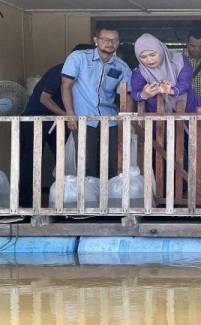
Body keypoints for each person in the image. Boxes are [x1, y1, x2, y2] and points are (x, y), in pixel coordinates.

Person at [19, 43, 93, 207]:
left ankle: (64, 200)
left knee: (63, 160)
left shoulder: (82, 75)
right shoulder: (60, 71)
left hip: (57, 122)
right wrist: (68, 115)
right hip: (35, 121)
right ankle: (23, 205)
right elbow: (44, 99)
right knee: (30, 162)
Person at [61, 27, 133, 178]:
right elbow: (66, 86)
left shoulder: (122, 67)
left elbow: (126, 96)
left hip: (111, 120)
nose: (110, 43)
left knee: (114, 161)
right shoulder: (78, 58)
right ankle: (88, 199)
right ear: (96, 40)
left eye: (114, 40)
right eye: (105, 39)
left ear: (118, 43)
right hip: (83, 118)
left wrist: (127, 120)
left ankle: (111, 198)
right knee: (87, 161)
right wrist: (70, 114)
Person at [131, 33, 201, 114]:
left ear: (160, 50)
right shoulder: (139, 71)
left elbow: (186, 83)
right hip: (157, 115)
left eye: (152, 55)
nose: (149, 60)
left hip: (188, 108)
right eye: (143, 57)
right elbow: (135, 93)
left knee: (192, 126)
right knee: (160, 127)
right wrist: (143, 95)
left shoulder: (179, 60)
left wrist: (171, 90)